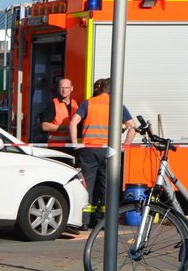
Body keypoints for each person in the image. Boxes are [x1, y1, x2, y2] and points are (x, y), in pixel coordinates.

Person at [69, 77, 137, 227]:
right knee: (107, 186)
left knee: (87, 185)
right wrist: (125, 145)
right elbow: (132, 128)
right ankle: (105, 222)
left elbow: (73, 123)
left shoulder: (89, 103)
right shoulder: (117, 105)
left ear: (100, 89)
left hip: (89, 149)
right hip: (109, 151)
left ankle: (84, 221)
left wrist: (75, 143)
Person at [39, 78, 78, 149]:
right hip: (56, 147)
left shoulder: (76, 104)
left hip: (72, 146)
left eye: (67, 87)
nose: (64, 90)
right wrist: (64, 128)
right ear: (58, 89)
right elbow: (44, 126)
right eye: (61, 87)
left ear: (71, 88)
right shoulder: (52, 104)